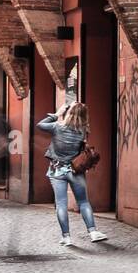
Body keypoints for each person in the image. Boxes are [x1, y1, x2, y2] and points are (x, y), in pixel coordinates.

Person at [38, 102, 107, 247]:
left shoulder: (57, 127)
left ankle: (66, 237)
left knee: (61, 204)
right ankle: (93, 232)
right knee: (83, 202)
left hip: (57, 171)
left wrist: (57, 114)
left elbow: (40, 125)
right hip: (75, 171)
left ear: (68, 112)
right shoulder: (83, 130)